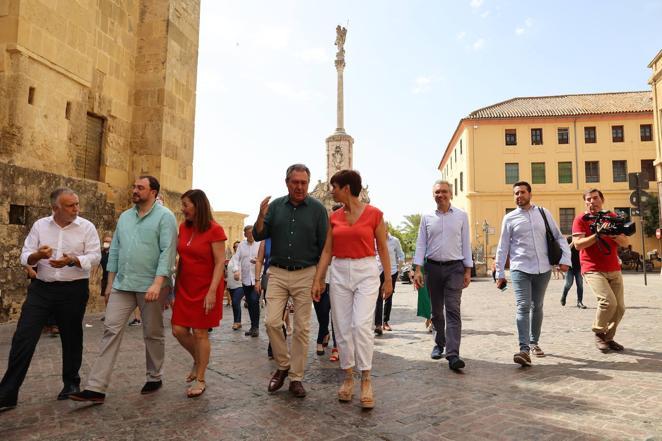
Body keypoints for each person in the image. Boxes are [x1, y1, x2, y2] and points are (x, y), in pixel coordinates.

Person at [70, 176, 177, 404]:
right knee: (110, 330)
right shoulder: (125, 217)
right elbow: (115, 250)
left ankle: (154, 376)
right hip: (122, 284)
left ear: (154, 192)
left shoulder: (165, 217)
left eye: (140, 187)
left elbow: (167, 252)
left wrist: (158, 284)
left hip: (151, 285)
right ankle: (96, 387)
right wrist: (110, 284)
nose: (134, 190)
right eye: (134, 187)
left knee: (152, 332)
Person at [0, 188, 100, 411]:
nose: (77, 209)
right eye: (71, 205)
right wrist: (37, 256)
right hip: (42, 289)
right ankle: (8, 393)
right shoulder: (40, 226)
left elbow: (95, 256)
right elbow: (24, 254)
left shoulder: (86, 227)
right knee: (23, 336)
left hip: (73, 290)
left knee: (72, 337)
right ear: (56, 208)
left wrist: (73, 260)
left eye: (77, 204)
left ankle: (71, 384)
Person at [312, 169, 392, 409]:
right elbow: (327, 250)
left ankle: (366, 378)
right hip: (339, 271)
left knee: (360, 325)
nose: (331, 191)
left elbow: (383, 248)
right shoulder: (334, 216)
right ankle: (348, 377)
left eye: (334, 187)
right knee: (343, 327)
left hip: (366, 271)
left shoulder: (375, 214)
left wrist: (387, 279)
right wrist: (319, 278)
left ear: (346, 188)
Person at [253, 163, 328, 398]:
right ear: (287, 183)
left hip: (306, 273)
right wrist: (261, 215)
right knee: (272, 322)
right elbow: (258, 234)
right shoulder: (275, 206)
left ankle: (296, 377)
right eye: (295, 182)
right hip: (277, 271)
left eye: (304, 183)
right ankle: (283, 365)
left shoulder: (317, 209)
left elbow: (326, 246)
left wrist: (320, 278)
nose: (300, 187)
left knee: (302, 328)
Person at [495, 181, 571, 367]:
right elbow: (503, 246)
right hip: (520, 268)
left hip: (543, 268)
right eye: (515, 193)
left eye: (522, 192)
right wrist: (499, 272)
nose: (518, 196)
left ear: (530, 194)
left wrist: (566, 260)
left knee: (537, 306)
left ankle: (534, 342)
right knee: (523, 305)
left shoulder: (544, 214)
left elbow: (559, 237)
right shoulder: (510, 218)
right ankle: (523, 349)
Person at [171, 189, 226, 398]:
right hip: (186, 286)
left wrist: (212, 292)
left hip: (207, 288)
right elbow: (181, 258)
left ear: (198, 205)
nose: (182, 209)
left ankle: (201, 379)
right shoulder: (183, 228)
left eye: (186, 205)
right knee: (178, 330)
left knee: (200, 333)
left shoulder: (215, 229)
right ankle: (198, 358)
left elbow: (220, 261)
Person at [412, 180, 473, 371]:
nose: (441, 195)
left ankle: (453, 354)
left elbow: (465, 243)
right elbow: (421, 243)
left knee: (453, 309)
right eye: (437, 192)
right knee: (437, 311)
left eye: (444, 191)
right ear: (433, 195)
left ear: (451, 194)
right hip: (432, 268)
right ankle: (439, 343)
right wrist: (418, 269)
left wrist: (468, 269)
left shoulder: (462, 216)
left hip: (455, 268)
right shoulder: (427, 217)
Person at [572, 188, 629, 352]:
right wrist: (597, 235)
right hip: (592, 268)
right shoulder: (581, 219)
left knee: (620, 308)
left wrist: (612, 235)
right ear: (585, 202)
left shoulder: (611, 217)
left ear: (601, 200)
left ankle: (608, 338)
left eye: (595, 198)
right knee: (607, 302)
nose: (592, 202)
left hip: (613, 267)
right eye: (588, 199)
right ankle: (598, 332)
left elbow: (625, 242)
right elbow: (578, 244)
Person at [374, 232, 405, 334]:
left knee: (388, 296)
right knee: (378, 297)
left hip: (392, 271)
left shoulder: (394, 241)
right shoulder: (375, 239)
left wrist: (399, 268)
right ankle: (378, 324)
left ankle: (385, 322)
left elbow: (401, 255)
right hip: (378, 271)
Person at [234, 226, 261, 337]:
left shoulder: (260, 244)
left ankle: (256, 327)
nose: (251, 235)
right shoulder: (241, 245)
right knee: (250, 303)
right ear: (245, 235)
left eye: (252, 232)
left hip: (256, 279)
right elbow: (236, 258)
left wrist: (259, 261)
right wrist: (236, 271)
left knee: (254, 300)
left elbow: (265, 258)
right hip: (245, 279)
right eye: (248, 233)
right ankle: (253, 326)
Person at [561, 236, 586, 309]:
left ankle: (579, 302)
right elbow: (566, 250)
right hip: (569, 267)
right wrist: (573, 242)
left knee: (580, 284)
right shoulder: (568, 239)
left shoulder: (581, 239)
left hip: (579, 267)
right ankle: (564, 296)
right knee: (568, 284)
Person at [227, 241, 243, 330]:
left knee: (236, 301)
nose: (236, 248)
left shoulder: (243, 257)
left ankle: (237, 322)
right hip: (232, 285)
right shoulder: (233, 257)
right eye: (235, 247)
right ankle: (237, 321)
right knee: (235, 303)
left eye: (238, 246)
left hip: (240, 284)